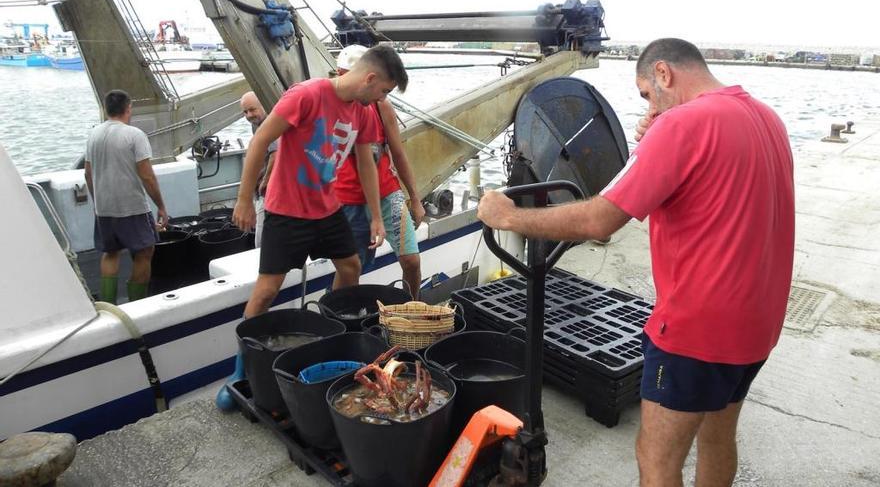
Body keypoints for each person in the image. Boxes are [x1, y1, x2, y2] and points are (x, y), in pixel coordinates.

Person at [477, 38, 794, 486]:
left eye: (646, 94)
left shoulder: (682, 125)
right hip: (759, 321)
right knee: (718, 436)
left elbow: (600, 220)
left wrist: (508, 215)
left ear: (663, 73)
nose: (648, 105)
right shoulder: (767, 117)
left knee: (657, 456)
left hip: (697, 329)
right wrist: (660, 132)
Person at [216, 45, 408, 410]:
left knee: (351, 266)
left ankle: (326, 339)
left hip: (327, 208)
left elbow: (366, 161)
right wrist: (243, 200)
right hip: (286, 211)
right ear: (370, 78)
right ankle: (239, 369)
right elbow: (260, 140)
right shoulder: (306, 95)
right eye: (384, 90)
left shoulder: (363, 112)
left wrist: (376, 215)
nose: (382, 98)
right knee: (266, 291)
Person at [332, 45, 425, 299]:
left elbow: (398, 152)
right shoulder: (329, 102)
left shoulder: (381, 105)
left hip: (386, 192)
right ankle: (340, 317)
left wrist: (415, 199)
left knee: (412, 261)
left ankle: (412, 308)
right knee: (351, 269)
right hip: (347, 199)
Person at [84, 89, 168, 303]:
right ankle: (137, 303)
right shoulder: (134, 135)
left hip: (104, 209)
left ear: (106, 109)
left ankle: (108, 303)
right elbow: (147, 176)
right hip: (132, 207)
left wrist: (97, 203)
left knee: (110, 252)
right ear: (128, 108)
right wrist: (161, 206)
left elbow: (88, 173)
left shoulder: (93, 134)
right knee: (145, 251)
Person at [239, 91, 279, 247]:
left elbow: (275, 154)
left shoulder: (269, 124)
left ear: (263, 105)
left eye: (252, 109)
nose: (249, 115)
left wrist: (265, 182)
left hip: (268, 193)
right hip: (260, 192)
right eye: (245, 111)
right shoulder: (256, 125)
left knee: (262, 243)